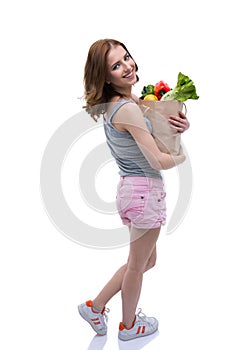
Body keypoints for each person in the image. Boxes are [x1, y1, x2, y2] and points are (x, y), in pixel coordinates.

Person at [78, 39, 189, 341]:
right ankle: (129, 328)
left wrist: (179, 127)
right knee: (137, 267)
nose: (127, 66)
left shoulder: (125, 104)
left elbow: (159, 130)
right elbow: (157, 158)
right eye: (116, 65)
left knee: (143, 262)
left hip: (134, 191)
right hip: (143, 192)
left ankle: (95, 306)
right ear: (105, 77)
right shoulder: (127, 109)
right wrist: (181, 155)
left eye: (126, 57)